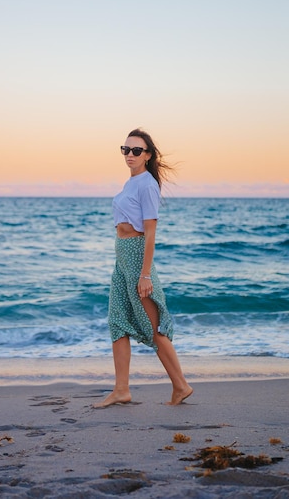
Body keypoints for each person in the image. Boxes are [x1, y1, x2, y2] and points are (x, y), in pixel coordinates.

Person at [94, 128, 193, 408]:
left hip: (138, 257)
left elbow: (150, 232)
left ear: (147, 155)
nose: (129, 154)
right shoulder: (131, 183)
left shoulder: (147, 184)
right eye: (125, 149)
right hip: (122, 258)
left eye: (136, 150)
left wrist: (145, 273)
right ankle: (121, 390)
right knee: (117, 322)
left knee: (153, 328)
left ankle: (181, 385)